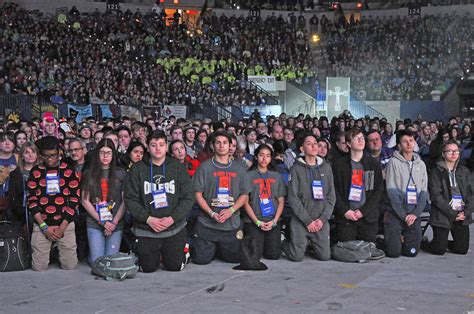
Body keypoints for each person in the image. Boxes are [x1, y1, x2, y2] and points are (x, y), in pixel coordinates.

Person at [124, 131, 194, 272]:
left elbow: (188, 197)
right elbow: (130, 199)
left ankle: (183, 251)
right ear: (148, 147)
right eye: (153, 145)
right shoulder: (137, 169)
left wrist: (172, 219)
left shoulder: (177, 167)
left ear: (166, 147)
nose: (157, 148)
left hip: (173, 227)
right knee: (148, 268)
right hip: (147, 228)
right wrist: (148, 219)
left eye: (161, 145)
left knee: (174, 267)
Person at [192, 131, 249, 265]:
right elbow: (197, 194)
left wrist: (231, 210)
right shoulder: (204, 167)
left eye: (225, 143)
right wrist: (211, 213)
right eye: (218, 142)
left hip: (230, 224)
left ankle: (219, 247)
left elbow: (245, 194)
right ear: (212, 145)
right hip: (207, 223)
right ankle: (212, 246)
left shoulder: (240, 168)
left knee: (234, 260)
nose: (221, 146)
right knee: (201, 260)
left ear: (230, 146)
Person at [26, 136, 80, 271]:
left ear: (59, 153)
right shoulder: (36, 171)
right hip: (42, 223)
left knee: (69, 266)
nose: (50, 159)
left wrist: (62, 228)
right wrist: (44, 227)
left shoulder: (69, 170)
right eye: (46, 156)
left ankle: (57, 248)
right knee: (39, 267)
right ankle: (51, 248)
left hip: (65, 223)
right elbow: (32, 202)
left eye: (53, 155)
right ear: (41, 156)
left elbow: (74, 201)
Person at [282, 133, 335, 262]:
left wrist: (322, 219)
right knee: (296, 257)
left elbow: (331, 197)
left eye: (315, 143)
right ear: (302, 149)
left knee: (325, 256)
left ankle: (311, 243)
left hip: (320, 221)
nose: (313, 146)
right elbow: (293, 198)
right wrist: (307, 221)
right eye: (309, 144)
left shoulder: (326, 168)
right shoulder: (296, 169)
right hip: (302, 220)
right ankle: (283, 241)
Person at [333, 129, 384, 244]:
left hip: (367, 215)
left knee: (368, 249)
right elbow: (334, 190)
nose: (361, 140)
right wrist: (345, 211)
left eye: (362, 137)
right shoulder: (339, 164)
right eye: (356, 138)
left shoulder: (373, 164)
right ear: (349, 144)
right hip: (347, 215)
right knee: (347, 249)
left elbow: (378, 190)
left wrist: (363, 211)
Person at [81, 139, 127, 264]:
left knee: (110, 262)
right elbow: (85, 201)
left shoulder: (121, 174)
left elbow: (125, 201)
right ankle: (92, 252)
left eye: (109, 153)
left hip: (115, 222)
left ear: (113, 155)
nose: (105, 156)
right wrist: (102, 222)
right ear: (97, 154)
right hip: (95, 221)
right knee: (97, 262)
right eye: (102, 153)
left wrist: (113, 222)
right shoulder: (88, 173)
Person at [385, 130, 428, 258]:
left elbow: (424, 192)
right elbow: (392, 193)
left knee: (412, 252)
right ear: (399, 145)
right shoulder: (393, 162)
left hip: (413, 213)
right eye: (405, 141)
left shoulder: (421, 164)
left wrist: (415, 214)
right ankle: (389, 240)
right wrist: (404, 215)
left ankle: (404, 239)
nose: (409, 144)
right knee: (393, 253)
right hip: (396, 212)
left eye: (411, 140)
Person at [426, 140, 472, 255]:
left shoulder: (464, 171)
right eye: (450, 151)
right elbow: (436, 196)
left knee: (461, 250)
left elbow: (472, 195)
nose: (453, 154)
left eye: (456, 151)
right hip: (443, 213)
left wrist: (465, 213)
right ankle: (428, 243)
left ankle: (442, 242)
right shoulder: (436, 171)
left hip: (461, 213)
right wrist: (452, 213)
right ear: (443, 154)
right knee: (439, 250)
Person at [243, 144, 286, 260]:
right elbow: (245, 202)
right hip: (254, 221)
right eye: (261, 155)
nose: (264, 158)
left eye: (267, 156)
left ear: (271, 158)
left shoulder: (276, 176)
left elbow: (281, 201)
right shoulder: (248, 175)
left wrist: (274, 221)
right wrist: (257, 222)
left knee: (273, 255)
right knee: (255, 255)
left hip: (272, 220)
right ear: (256, 157)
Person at [0, 132, 17, 220]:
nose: (7, 143)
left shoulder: (19, 158)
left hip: (15, 201)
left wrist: (17, 172)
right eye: (3, 140)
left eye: (10, 140)